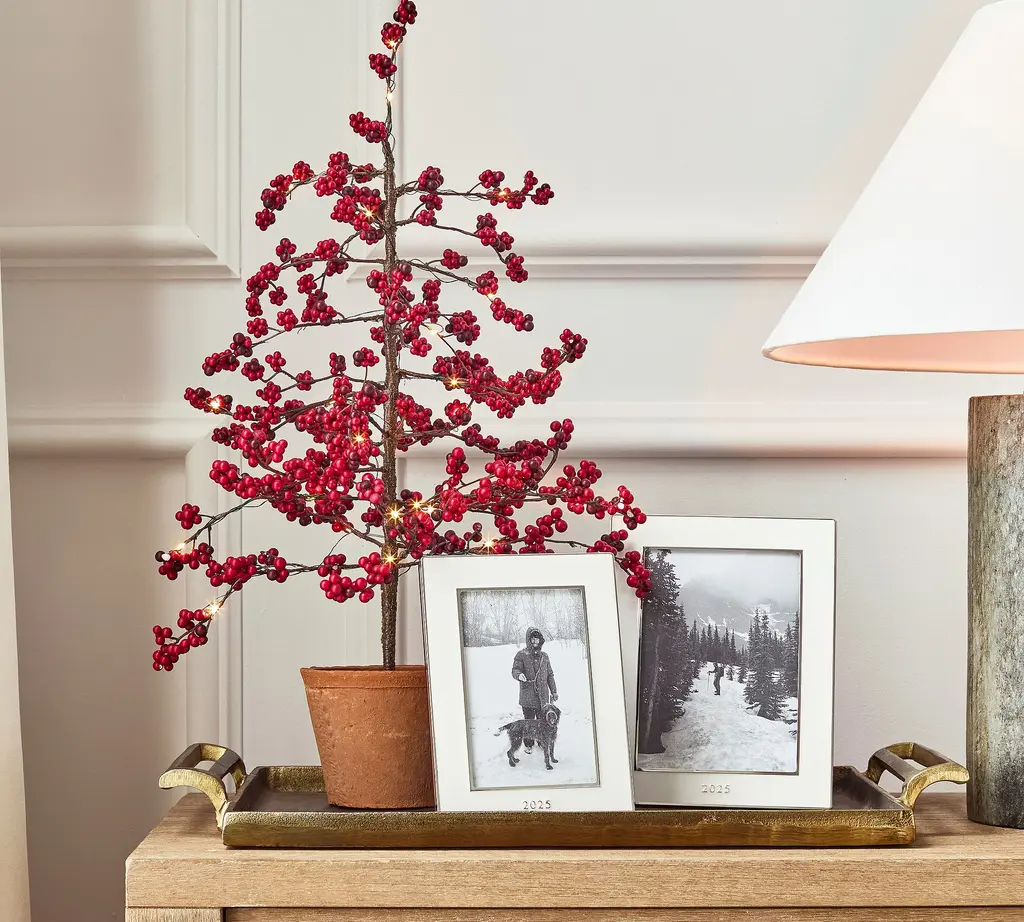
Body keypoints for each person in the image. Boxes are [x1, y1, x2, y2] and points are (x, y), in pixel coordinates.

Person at [511, 627, 558, 753]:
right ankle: (528, 744)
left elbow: (550, 675)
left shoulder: (545, 656)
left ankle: (542, 741)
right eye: (533, 639)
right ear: (529, 640)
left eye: (537, 639)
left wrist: (554, 691)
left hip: (543, 697)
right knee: (529, 722)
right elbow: (515, 670)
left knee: (542, 721)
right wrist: (519, 675)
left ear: (540, 640)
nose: (535, 642)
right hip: (528, 696)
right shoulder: (521, 655)